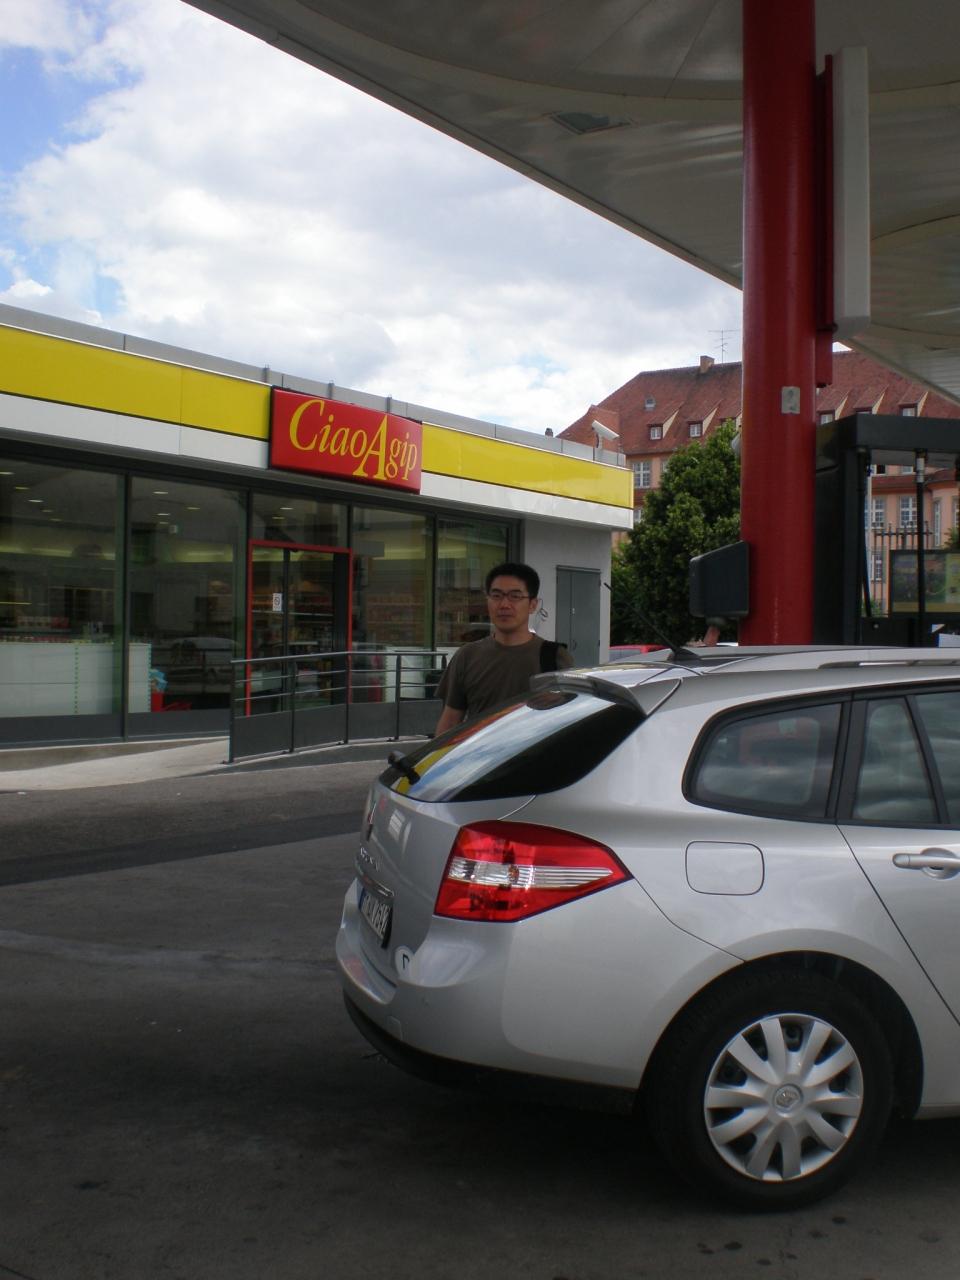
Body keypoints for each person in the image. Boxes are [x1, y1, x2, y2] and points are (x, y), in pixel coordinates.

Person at [434, 561, 573, 734]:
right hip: (482, 751)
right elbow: (450, 722)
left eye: (515, 596)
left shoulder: (554, 657)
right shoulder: (467, 656)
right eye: (497, 596)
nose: (504, 604)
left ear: (533, 605)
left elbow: (569, 721)